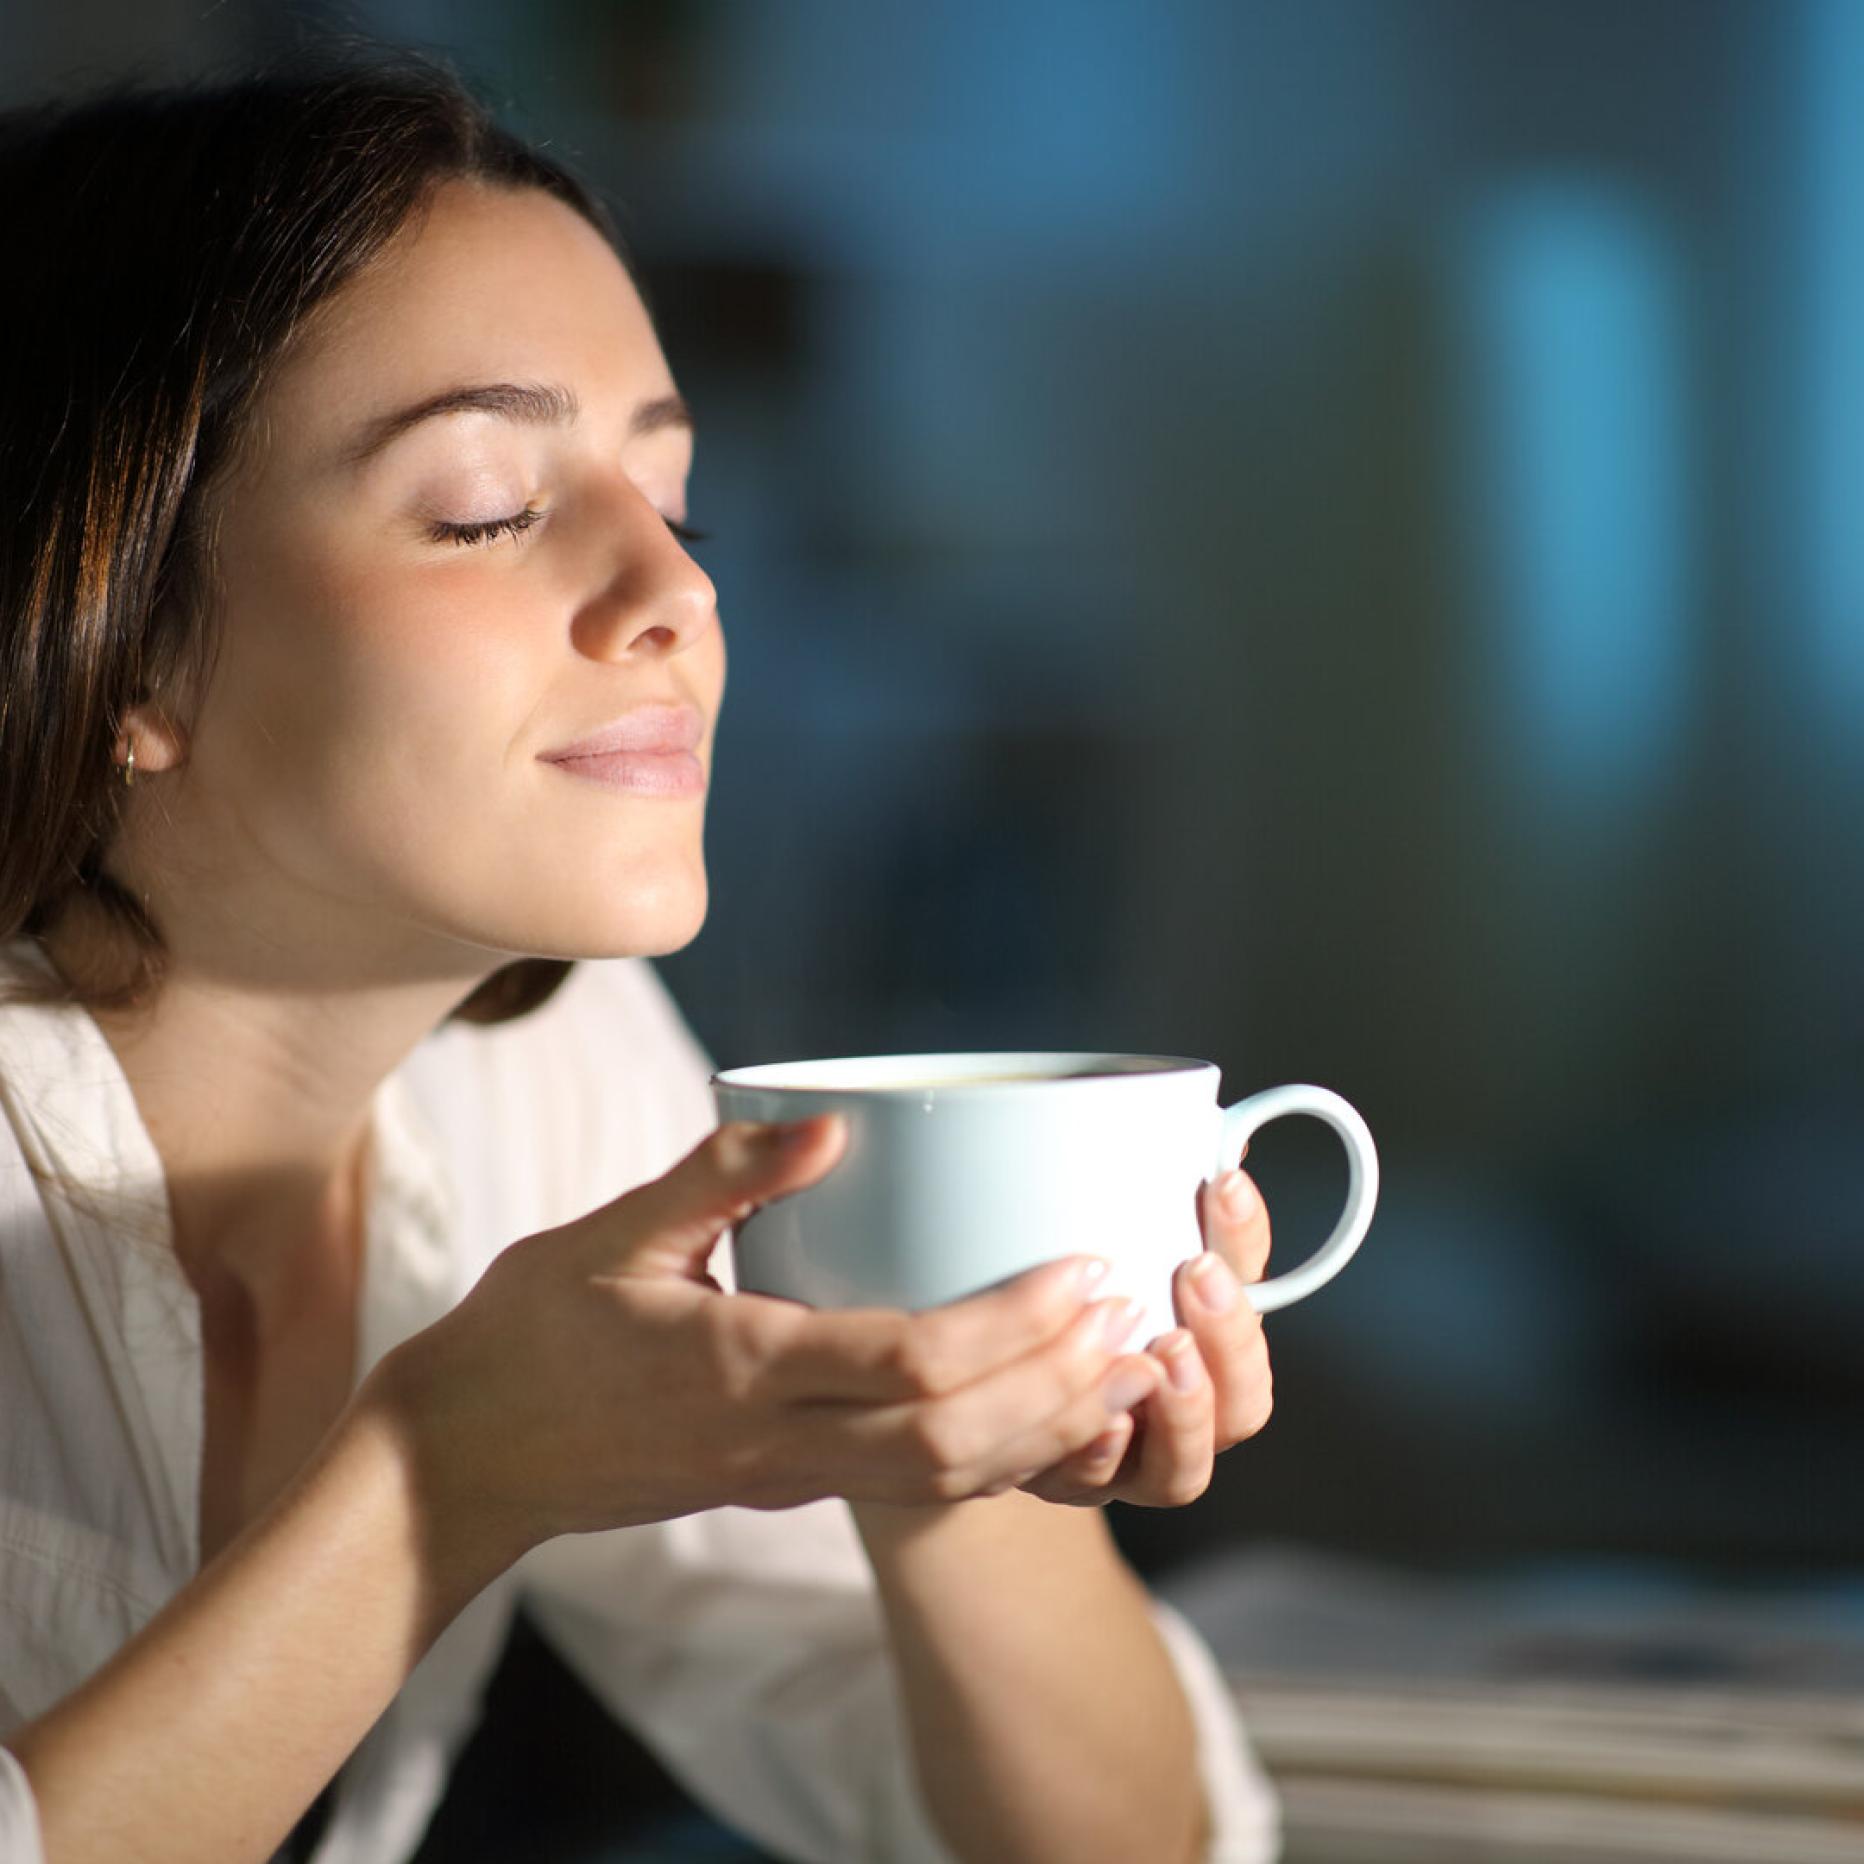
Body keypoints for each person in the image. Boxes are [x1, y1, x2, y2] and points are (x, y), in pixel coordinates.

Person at [0, 49, 1282, 1864]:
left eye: (669, 500)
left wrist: (951, 1436)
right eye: (485, 508)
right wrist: (444, 1473)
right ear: (120, 643)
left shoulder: (544, 1063)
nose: (679, 593)